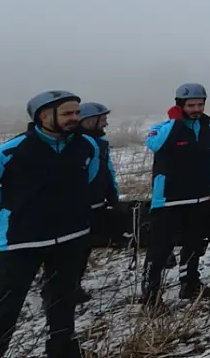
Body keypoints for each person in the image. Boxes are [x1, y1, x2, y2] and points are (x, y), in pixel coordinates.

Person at [0, 91, 98, 358]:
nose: (75, 118)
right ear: (42, 116)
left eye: (77, 112)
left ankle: (62, 350)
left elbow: (89, 177)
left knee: (63, 301)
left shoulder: (87, 146)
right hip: (21, 240)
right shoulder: (10, 151)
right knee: (5, 307)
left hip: (71, 236)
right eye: (67, 113)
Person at [141, 83, 210, 308]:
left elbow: (209, 159)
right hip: (169, 198)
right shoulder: (163, 128)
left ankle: (190, 284)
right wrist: (176, 122)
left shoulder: (207, 129)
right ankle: (151, 294)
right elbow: (154, 145)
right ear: (179, 105)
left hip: (198, 197)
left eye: (200, 104)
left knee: (194, 243)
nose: (196, 109)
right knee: (160, 248)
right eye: (191, 105)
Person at [73, 102, 120, 304]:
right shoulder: (74, 144)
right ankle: (63, 287)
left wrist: (112, 194)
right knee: (73, 249)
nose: (106, 123)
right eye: (102, 119)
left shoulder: (101, 143)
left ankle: (73, 285)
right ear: (89, 121)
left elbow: (107, 170)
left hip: (96, 203)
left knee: (84, 247)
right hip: (77, 207)